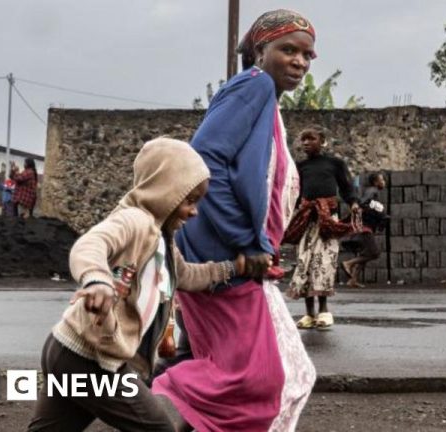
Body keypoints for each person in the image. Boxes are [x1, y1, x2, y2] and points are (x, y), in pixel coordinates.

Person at [152, 9, 316, 432]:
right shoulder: (255, 86)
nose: (300, 61)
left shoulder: (265, 99)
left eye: (308, 55)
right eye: (289, 50)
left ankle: (168, 400)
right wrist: (246, 241)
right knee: (262, 378)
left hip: (236, 255)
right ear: (261, 51)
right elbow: (205, 161)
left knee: (262, 373)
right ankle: (149, 393)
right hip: (227, 257)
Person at [28, 138, 246, 432]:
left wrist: (233, 269)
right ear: (166, 191)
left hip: (67, 351)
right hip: (90, 358)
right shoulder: (135, 221)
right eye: (189, 200)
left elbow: (188, 276)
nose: (194, 212)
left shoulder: (163, 241)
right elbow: (92, 244)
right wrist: (97, 279)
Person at [284, 126, 360, 330]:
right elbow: (296, 194)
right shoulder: (300, 167)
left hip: (328, 222)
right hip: (307, 221)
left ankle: (324, 311)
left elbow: (346, 187)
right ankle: (309, 314)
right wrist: (291, 213)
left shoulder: (335, 164)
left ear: (322, 141)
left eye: (311, 139)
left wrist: (353, 202)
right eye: (304, 139)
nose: (306, 143)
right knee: (305, 264)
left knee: (323, 264)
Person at [342, 172, 388, 288]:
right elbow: (363, 202)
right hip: (364, 227)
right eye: (381, 180)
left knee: (365, 254)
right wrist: (381, 213)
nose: (384, 182)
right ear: (375, 182)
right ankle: (348, 263)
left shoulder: (373, 193)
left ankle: (353, 280)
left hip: (366, 226)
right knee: (374, 253)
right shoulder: (372, 191)